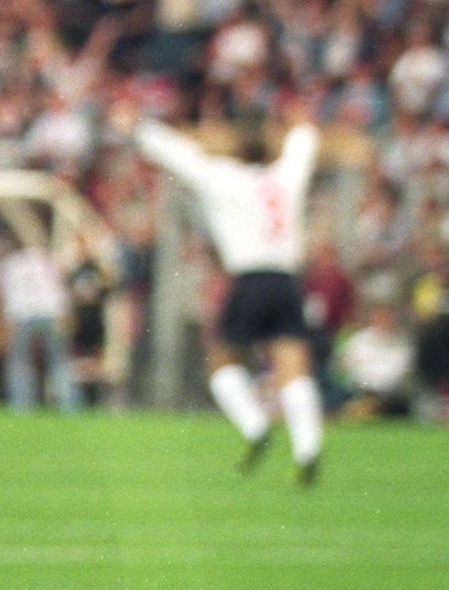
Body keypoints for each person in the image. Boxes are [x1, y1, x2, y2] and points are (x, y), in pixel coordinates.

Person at [133, 110, 324, 483]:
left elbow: (182, 157)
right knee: (293, 368)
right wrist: (303, 125)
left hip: (249, 280)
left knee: (222, 364)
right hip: (286, 282)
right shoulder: (285, 177)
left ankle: (255, 426)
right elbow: (303, 148)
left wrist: (142, 129)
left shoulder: (223, 177)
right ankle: (308, 449)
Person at [0, 241, 74, 413]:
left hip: (22, 314)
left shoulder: (9, 264)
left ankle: (20, 406)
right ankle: (68, 405)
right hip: (51, 312)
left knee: (19, 362)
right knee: (58, 361)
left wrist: (8, 322)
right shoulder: (46, 258)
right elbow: (60, 288)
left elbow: (8, 294)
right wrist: (64, 316)